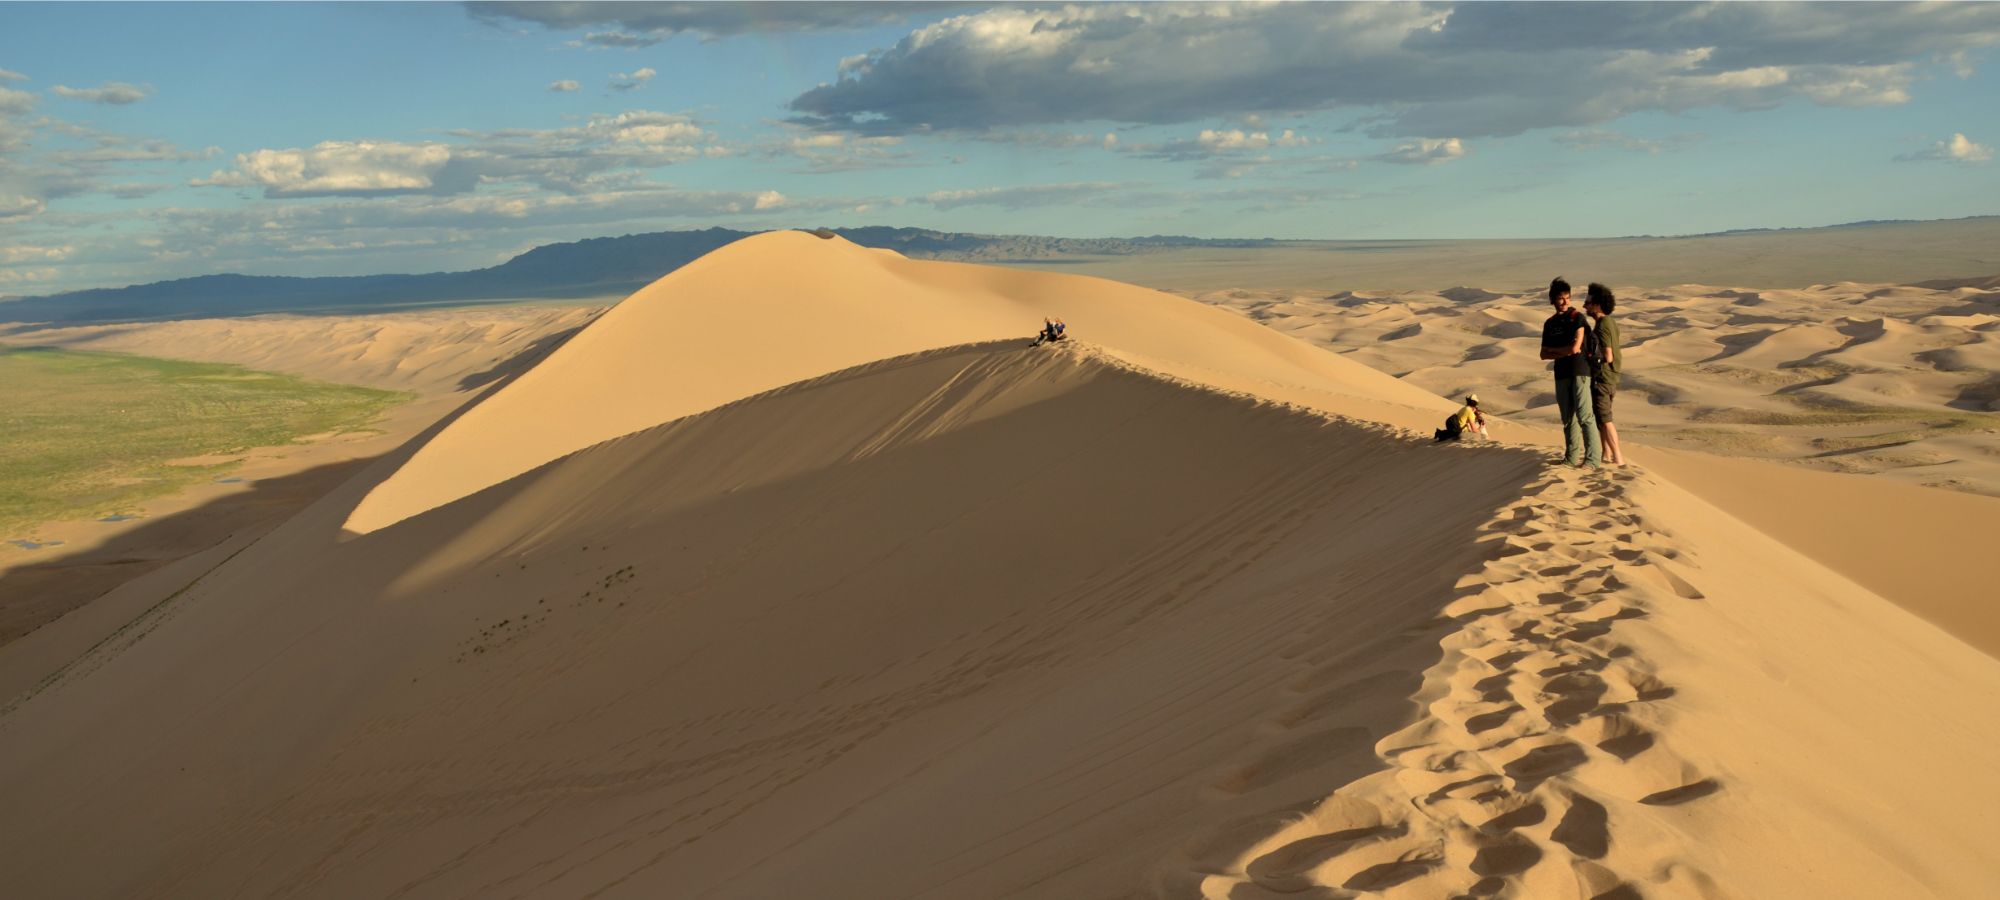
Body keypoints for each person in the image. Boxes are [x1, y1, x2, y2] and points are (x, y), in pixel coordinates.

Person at [1539, 276, 1601, 467]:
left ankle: (1592, 459)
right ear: (1552, 300)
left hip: (1580, 371)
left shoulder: (1578, 318)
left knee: (1585, 415)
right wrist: (1563, 351)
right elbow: (1542, 354)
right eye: (1560, 298)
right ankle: (1571, 458)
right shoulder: (1549, 324)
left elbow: (1575, 349)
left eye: (1568, 297)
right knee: (1568, 418)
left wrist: (1556, 351)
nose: (1565, 301)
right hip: (1562, 373)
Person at [1584, 283, 1626, 466]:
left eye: (1588, 301)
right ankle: (1606, 455)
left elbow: (1608, 356)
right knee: (1601, 419)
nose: (1585, 305)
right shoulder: (1609, 323)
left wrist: (1590, 361)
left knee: (1605, 419)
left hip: (1603, 378)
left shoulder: (1603, 326)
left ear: (1597, 304)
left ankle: (1618, 458)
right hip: (1609, 378)